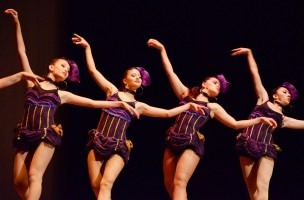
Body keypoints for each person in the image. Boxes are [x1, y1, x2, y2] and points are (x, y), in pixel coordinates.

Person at [5, 8, 144, 200]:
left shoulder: (62, 94)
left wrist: (119, 105)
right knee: (19, 183)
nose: (66, 70)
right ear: (51, 66)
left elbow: (93, 103)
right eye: (63, 66)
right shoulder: (32, 82)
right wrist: (17, 24)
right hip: (25, 134)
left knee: (34, 175)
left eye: (68, 69)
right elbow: (22, 52)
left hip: (46, 135)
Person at [72, 33, 206, 200]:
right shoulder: (112, 92)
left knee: (106, 183)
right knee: (96, 185)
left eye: (139, 77)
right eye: (133, 75)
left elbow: (167, 113)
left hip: (118, 146)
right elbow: (93, 71)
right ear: (125, 80)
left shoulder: (139, 106)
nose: (138, 78)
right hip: (97, 141)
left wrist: (188, 105)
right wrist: (87, 48)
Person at [147, 39, 278, 200]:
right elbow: (170, 72)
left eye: (219, 87)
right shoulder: (185, 95)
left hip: (191, 141)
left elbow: (235, 124)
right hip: (172, 138)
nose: (218, 86)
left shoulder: (213, 108)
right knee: (169, 183)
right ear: (204, 84)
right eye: (215, 82)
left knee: (179, 182)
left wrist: (259, 120)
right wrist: (162, 50)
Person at [231, 47, 304, 200]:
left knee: (263, 188)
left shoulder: (284, 119)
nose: (288, 95)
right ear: (275, 95)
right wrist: (250, 54)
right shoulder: (263, 99)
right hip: (246, 143)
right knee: (253, 193)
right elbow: (255, 73)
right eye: (285, 92)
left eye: (289, 95)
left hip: (267, 148)